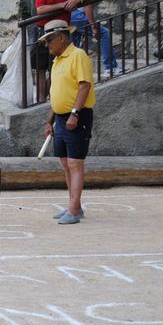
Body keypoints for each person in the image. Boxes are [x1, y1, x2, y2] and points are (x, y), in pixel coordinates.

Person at [40, 20, 95, 225]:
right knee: (65, 162)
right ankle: (74, 205)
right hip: (61, 117)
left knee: (74, 162)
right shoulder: (57, 60)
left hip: (76, 116)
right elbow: (57, 94)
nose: (48, 45)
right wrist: (50, 121)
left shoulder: (77, 55)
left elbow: (84, 86)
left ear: (62, 37)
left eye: (49, 40)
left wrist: (74, 113)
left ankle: (73, 209)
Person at [32, 0, 97, 102]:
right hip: (42, 30)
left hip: (61, 32)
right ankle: (41, 101)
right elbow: (40, 9)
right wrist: (62, 5)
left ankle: (52, 97)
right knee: (40, 68)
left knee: (59, 65)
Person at [70, 0, 120, 77]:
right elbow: (87, 6)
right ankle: (110, 68)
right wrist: (93, 26)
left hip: (71, 15)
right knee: (103, 34)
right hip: (76, 14)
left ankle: (72, 73)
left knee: (73, 45)